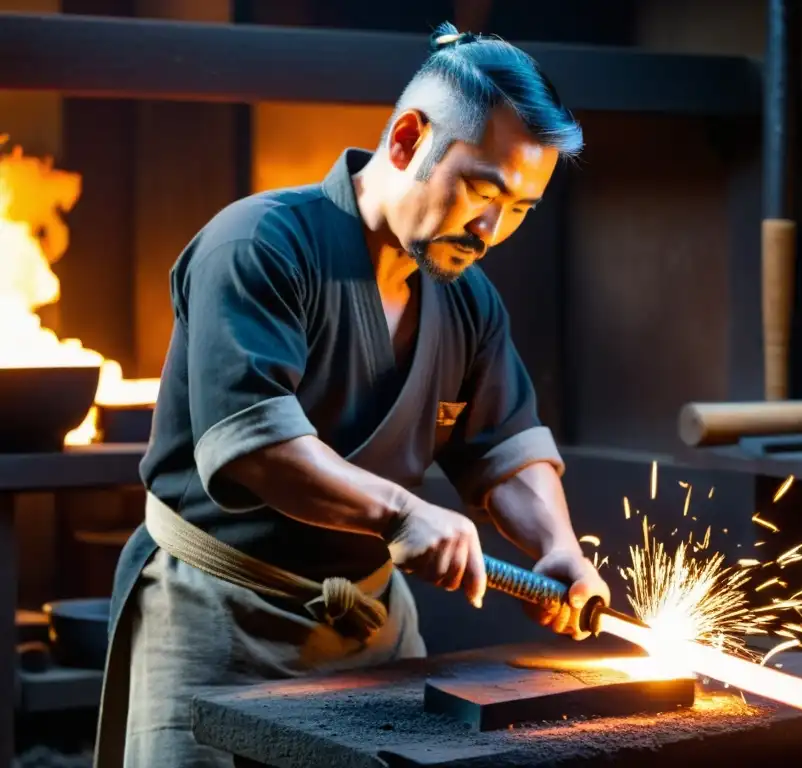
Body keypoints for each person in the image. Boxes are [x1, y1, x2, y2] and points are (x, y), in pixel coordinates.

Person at [94, 21, 611, 768]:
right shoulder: (258, 245)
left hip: (372, 623)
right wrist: (401, 510)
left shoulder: (470, 301)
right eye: (483, 188)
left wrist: (556, 546)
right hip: (215, 614)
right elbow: (260, 446)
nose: (493, 228)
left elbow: (505, 447)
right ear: (406, 140)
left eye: (522, 208)